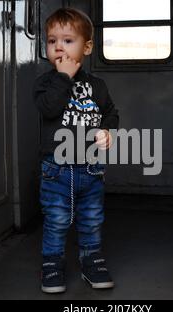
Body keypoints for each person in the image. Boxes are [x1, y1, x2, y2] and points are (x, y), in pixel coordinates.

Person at [33, 7, 119, 294]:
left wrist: (108, 131)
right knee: (56, 220)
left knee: (91, 218)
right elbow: (49, 108)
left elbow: (110, 113)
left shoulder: (97, 85)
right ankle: (52, 264)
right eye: (51, 40)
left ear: (87, 47)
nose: (58, 46)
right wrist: (63, 77)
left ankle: (91, 261)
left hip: (90, 169)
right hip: (55, 169)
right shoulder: (45, 83)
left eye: (68, 41)